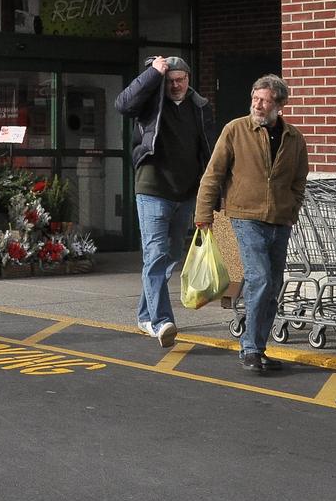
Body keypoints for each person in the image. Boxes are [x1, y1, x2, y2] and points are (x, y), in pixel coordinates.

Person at [194, 74, 309, 374]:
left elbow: (299, 180)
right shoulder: (235, 130)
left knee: (273, 286)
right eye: (255, 99)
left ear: (279, 104)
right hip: (244, 217)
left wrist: (291, 209)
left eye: (265, 100)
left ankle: (259, 347)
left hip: (280, 221)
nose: (258, 105)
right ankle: (250, 349)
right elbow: (213, 174)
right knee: (259, 279)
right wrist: (204, 214)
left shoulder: (294, 138)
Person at [115, 56, 215, 347]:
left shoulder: (200, 107)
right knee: (156, 254)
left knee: (169, 256)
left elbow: (209, 149)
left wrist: (212, 191)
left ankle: (145, 316)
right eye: (170, 80)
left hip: (185, 193)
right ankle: (161, 321)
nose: (175, 85)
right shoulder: (151, 101)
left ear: (188, 79)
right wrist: (152, 74)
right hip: (153, 189)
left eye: (180, 79)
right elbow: (123, 105)